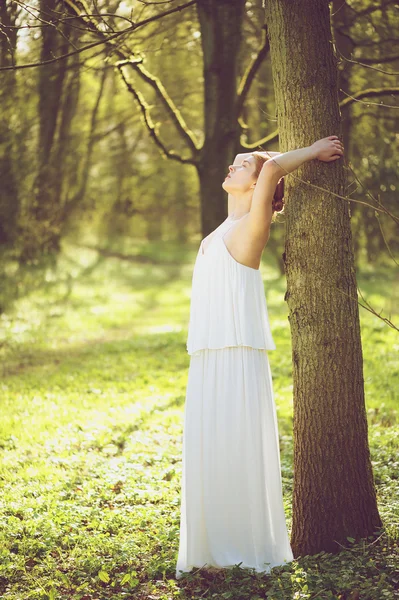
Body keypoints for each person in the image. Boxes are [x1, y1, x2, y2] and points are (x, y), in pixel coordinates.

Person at [175, 136, 345, 580]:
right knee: (210, 449)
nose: (231, 168)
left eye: (242, 165)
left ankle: (245, 545)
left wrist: (311, 151)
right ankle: (212, 547)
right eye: (233, 163)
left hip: (238, 358)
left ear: (259, 184)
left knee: (237, 447)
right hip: (208, 356)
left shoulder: (254, 227)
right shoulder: (217, 233)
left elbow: (272, 170)